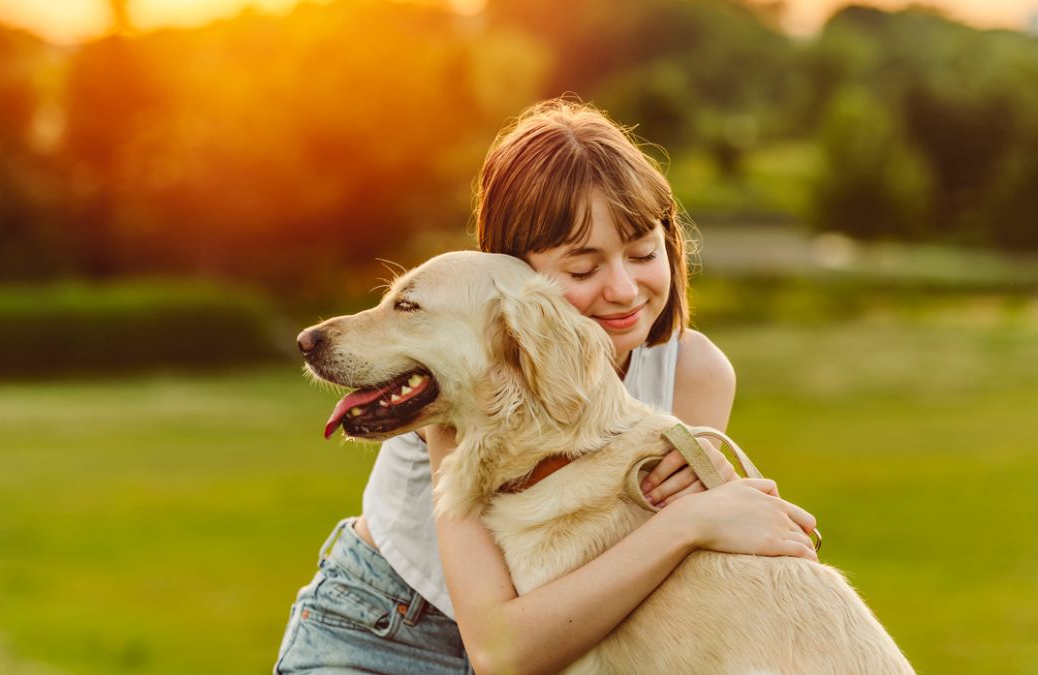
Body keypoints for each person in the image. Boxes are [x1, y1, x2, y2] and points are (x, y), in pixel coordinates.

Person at [274, 99, 818, 675]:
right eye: (582, 270)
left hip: (575, 644)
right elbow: (499, 649)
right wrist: (693, 523)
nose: (624, 290)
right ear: (509, 273)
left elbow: (650, 584)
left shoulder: (693, 375)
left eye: (643, 254)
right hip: (386, 635)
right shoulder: (465, 385)